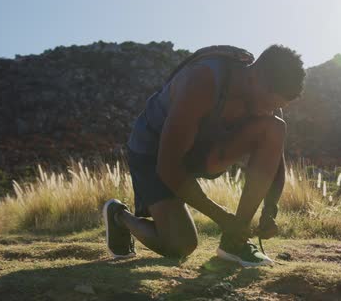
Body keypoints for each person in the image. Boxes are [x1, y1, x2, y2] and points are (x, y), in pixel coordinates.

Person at [102, 44, 305, 267]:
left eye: (277, 106)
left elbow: (275, 157)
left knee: (275, 127)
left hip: (203, 148)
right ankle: (119, 217)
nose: (269, 111)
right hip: (153, 151)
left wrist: (269, 211)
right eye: (269, 104)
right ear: (255, 76)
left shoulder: (267, 99)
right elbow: (168, 166)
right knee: (181, 245)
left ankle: (234, 243)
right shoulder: (202, 81)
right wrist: (221, 217)